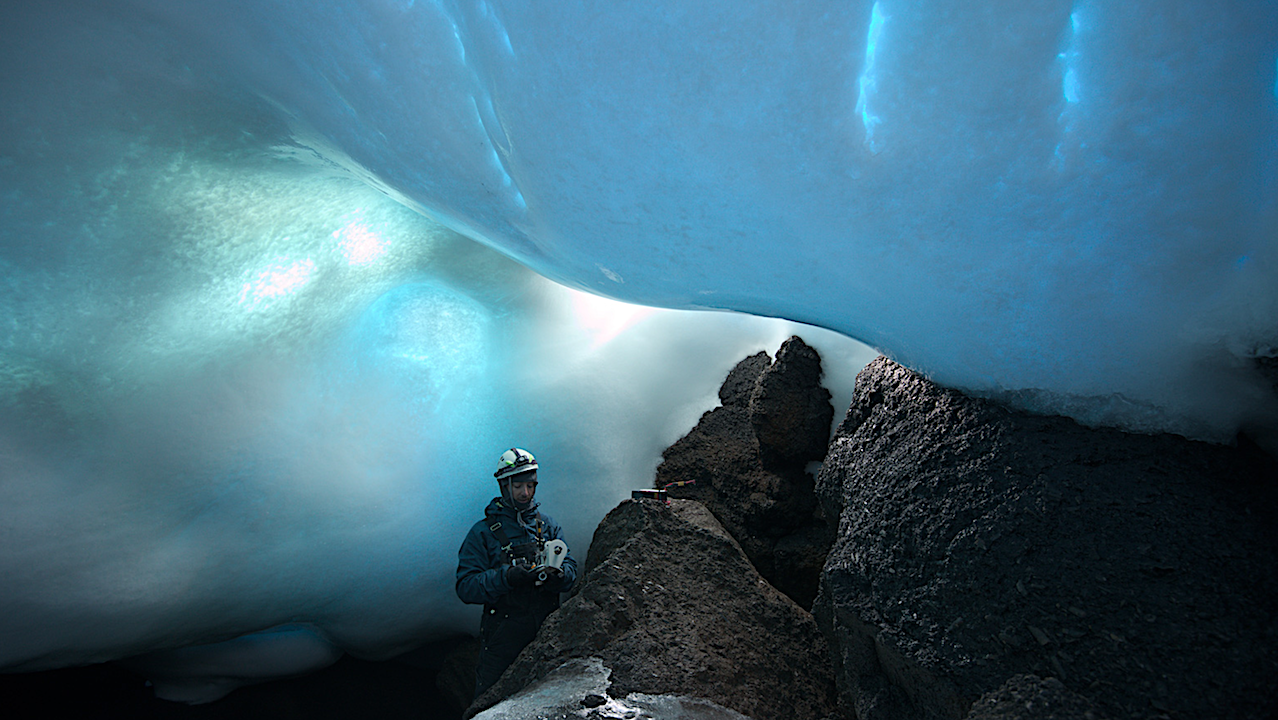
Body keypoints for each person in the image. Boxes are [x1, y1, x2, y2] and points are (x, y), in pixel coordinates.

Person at [455, 448, 578, 699]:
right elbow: (466, 586)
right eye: (518, 486)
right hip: (502, 638)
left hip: (547, 633)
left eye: (531, 486)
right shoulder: (483, 533)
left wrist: (559, 575)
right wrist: (506, 577)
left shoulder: (548, 526)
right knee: (491, 704)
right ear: (504, 485)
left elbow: (571, 569)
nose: (525, 493)